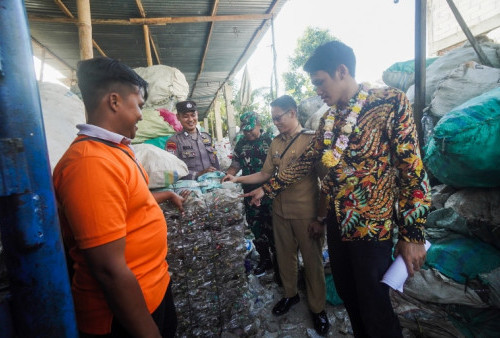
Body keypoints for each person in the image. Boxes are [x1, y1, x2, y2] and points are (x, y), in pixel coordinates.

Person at [245, 41, 432, 337]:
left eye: (320, 82)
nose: (318, 90)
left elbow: (413, 170)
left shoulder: (390, 102)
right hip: (338, 225)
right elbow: (305, 162)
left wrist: (413, 234)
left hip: (373, 228)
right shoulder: (329, 121)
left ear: (341, 71)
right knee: (349, 296)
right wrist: (267, 189)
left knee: (375, 306)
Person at [53, 57, 183, 337]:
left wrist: (165, 195)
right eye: (138, 105)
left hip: (151, 291)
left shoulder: (115, 151)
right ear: (114, 101)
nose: (140, 114)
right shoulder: (90, 163)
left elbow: (130, 204)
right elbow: (109, 270)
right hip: (122, 318)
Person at [223, 96, 329, 335]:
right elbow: (264, 174)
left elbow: (328, 183)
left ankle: (317, 308)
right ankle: (290, 295)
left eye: (278, 118)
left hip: (305, 214)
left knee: (312, 263)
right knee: (285, 258)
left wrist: (321, 219)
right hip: (279, 212)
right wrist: (236, 178)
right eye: (273, 119)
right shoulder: (276, 143)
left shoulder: (311, 140)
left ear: (292, 113)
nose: (276, 123)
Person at [225, 111, 277, 278]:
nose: (248, 133)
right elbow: (235, 164)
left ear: (259, 125)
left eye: (251, 129)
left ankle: (280, 260)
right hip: (249, 194)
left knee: (274, 228)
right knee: (256, 227)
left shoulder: (271, 141)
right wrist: (227, 177)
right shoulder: (241, 144)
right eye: (245, 130)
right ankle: (265, 259)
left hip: (270, 193)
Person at [166, 100, 220, 179]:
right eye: (185, 116)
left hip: (212, 182)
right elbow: (172, 169)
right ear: (178, 117)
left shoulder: (207, 137)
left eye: (193, 115)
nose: (190, 119)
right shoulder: (173, 141)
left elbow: (216, 162)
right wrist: (198, 174)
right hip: (190, 186)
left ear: (197, 115)